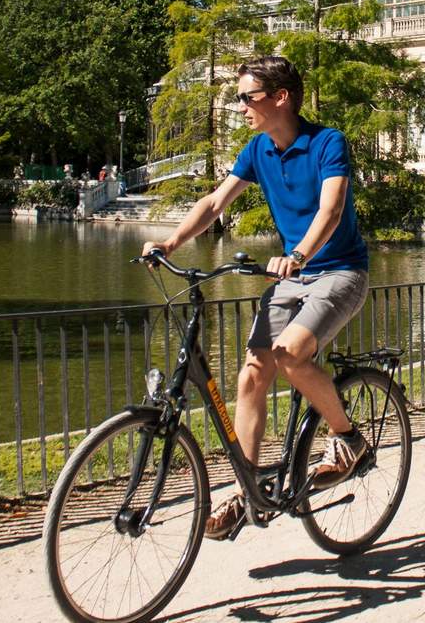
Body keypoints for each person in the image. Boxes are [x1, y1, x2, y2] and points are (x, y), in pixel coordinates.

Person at [140, 56, 371, 540]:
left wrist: (301, 253)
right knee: (251, 374)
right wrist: (170, 243)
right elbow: (214, 202)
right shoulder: (257, 149)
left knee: (289, 354)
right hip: (292, 277)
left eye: (247, 97)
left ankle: (347, 439)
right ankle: (248, 492)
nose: (240, 105)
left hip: (339, 272)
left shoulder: (327, 143)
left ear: (280, 98)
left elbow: (331, 208)